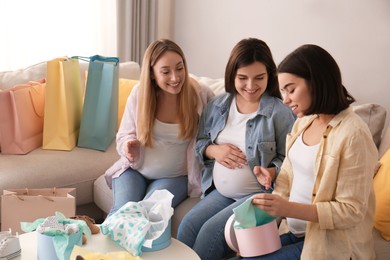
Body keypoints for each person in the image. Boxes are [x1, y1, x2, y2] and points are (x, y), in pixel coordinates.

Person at [245, 44, 378, 259]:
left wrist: (287, 209)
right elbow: (287, 178)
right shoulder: (303, 122)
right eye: (283, 91)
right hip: (296, 232)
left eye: (291, 89)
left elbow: (351, 211)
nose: (286, 99)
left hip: (330, 246)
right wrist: (266, 218)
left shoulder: (353, 134)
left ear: (316, 82)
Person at [176, 38, 296, 259]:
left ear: (270, 75)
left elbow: (291, 159)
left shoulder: (279, 113)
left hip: (258, 195)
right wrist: (215, 151)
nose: (251, 86)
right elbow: (200, 144)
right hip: (220, 193)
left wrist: (272, 171)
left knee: (209, 233)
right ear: (232, 75)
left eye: (259, 78)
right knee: (187, 226)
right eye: (243, 78)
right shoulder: (218, 105)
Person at [104, 39, 214, 215]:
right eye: (166, 72)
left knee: (149, 213)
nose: (175, 77)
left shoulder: (200, 95)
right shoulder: (140, 94)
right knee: (122, 213)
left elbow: (218, 131)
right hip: (134, 171)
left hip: (174, 177)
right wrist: (128, 145)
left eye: (180, 68)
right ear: (153, 73)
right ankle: (90, 241)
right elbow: (124, 135)